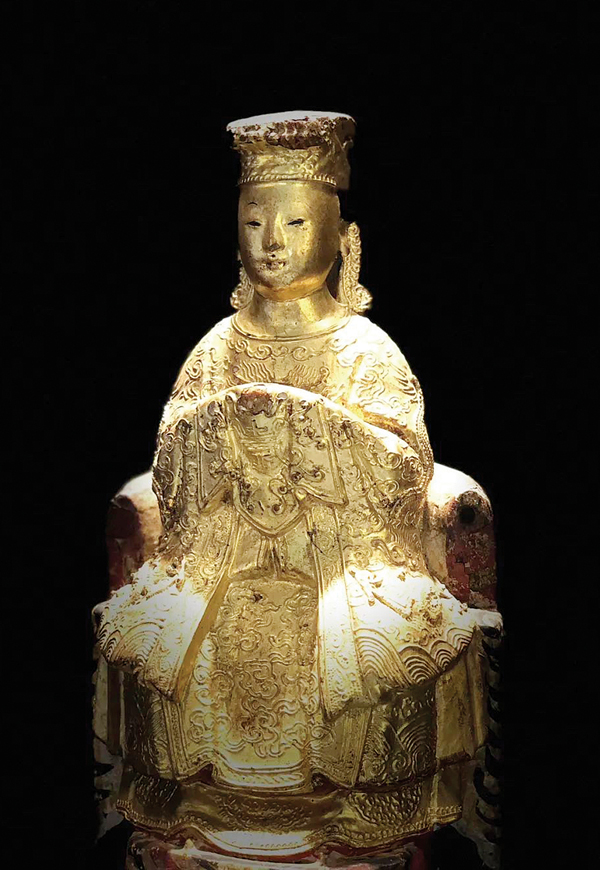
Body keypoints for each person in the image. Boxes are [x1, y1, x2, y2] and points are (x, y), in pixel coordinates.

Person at [94, 112, 491, 860]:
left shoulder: (364, 349)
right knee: (172, 637)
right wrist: (220, 439)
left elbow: (406, 466)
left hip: (342, 557)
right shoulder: (218, 347)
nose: (272, 241)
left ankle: (367, 807)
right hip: (225, 552)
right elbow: (171, 463)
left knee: (372, 652)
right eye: (254, 223)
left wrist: (320, 437)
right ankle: (189, 800)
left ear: (341, 237)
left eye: (295, 222)